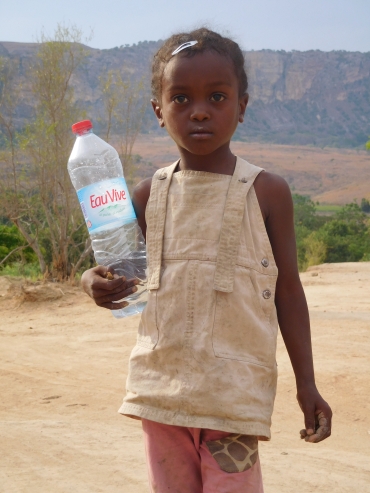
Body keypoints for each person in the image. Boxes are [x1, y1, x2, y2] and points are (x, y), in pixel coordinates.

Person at [81, 28, 332, 493]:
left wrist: (307, 384)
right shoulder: (145, 195)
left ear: (242, 106)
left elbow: (289, 289)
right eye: (180, 98)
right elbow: (122, 272)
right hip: (162, 393)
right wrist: (92, 282)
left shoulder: (268, 192)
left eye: (217, 96)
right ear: (159, 111)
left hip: (233, 398)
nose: (199, 110)